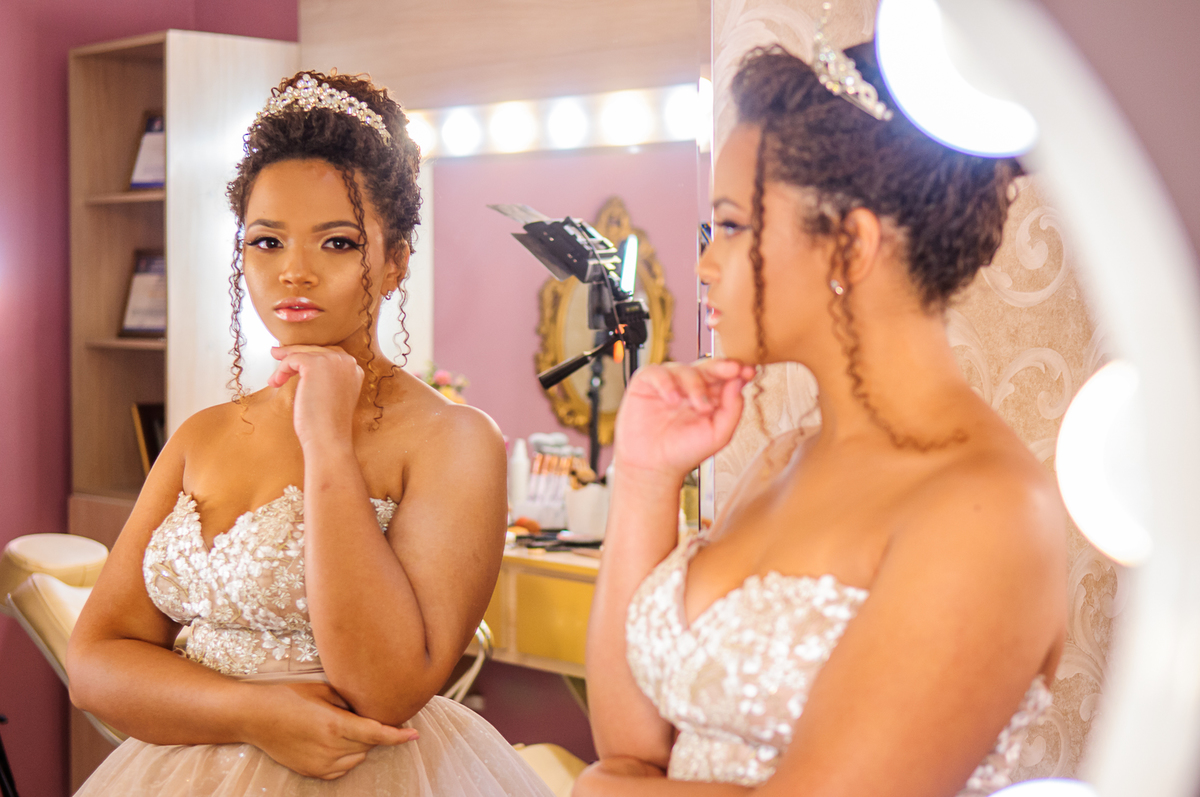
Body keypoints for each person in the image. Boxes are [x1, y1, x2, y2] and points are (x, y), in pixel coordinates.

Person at [579, 43, 1066, 797]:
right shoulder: (781, 461)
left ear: (850, 244)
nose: (705, 266)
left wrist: (599, 792)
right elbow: (632, 747)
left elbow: (618, 780)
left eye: (731, 227)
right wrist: (644, 474)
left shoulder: (989, 510)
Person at [66, 71, 553, 797]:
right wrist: (251, 713)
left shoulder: (452, 439)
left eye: (336, 242)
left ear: (395, 260)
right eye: (267, 241)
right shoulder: (202, 435)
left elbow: (386, 688)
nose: (294, 271)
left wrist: (327, 442)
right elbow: (94, 662)